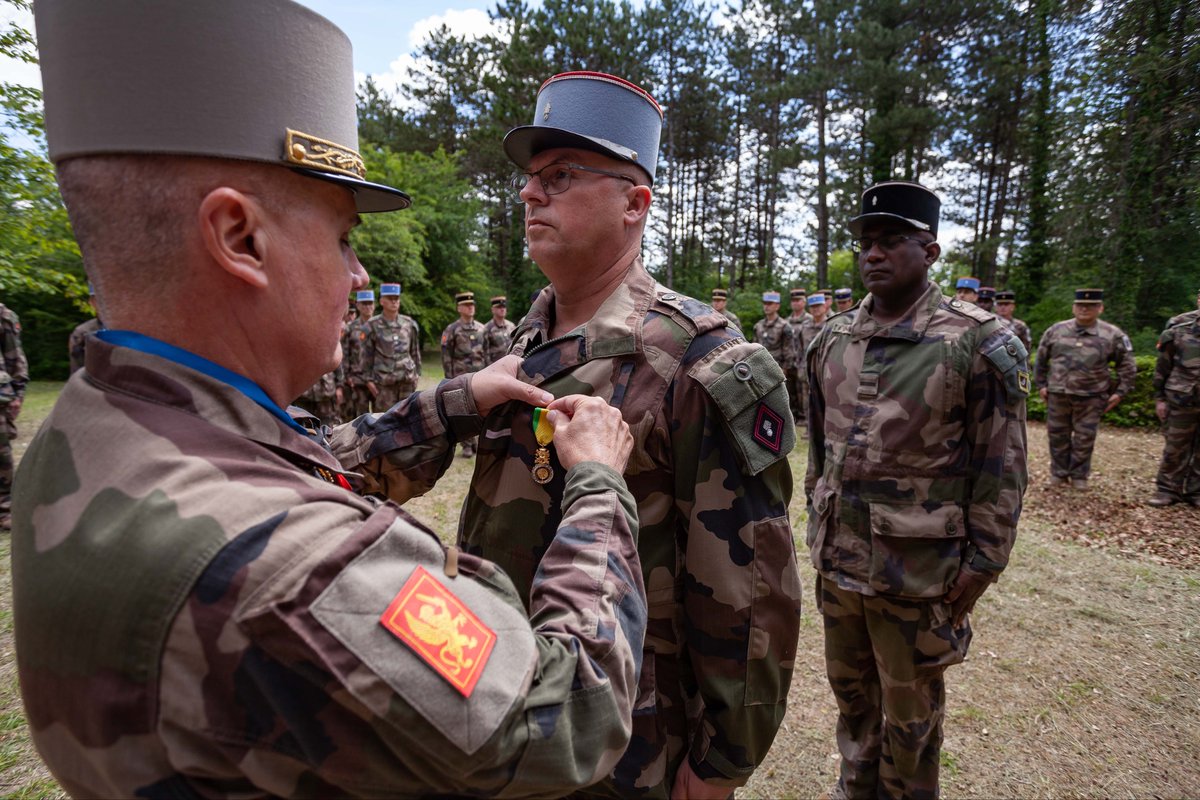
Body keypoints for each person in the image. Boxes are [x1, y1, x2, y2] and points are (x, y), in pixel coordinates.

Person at [14, 2, 650, 796]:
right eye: (342, 237)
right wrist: (597, 484)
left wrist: (453, 402)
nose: (357, 276)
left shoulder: (92, 428)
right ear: (240, 238)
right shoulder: (304, 569)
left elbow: (299, 459)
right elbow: (571, 715)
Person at [458, 71, 801, 799]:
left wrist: (723, 761)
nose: (529, 194)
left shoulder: (703, 361)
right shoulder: (528, 340)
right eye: (530, 178)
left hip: (621, 741)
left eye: (561, 175)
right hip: (497, 701)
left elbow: (747, 587)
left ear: (635, 204)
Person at [806, 180, 1029, 800]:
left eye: (891, 240)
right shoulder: (832, 338)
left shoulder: (979, 342)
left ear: (930, 251)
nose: (873, 254)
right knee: (853, 703)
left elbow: (1003, 464)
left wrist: (984, 561)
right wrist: (817, 520)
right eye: (866, 243)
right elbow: (819, 450)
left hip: (918, 570)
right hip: (839, 561)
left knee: (911, 721)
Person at [1035, 289, 1136, 489]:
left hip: (1092, 396)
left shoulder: (1112, 334)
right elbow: (1040, 360)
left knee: (1085, 437)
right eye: (1080, 305)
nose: (1084, 309)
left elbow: (1127, 366)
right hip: (1059, 394)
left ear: (1100, 308)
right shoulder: (1056, 330)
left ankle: (1079, 476)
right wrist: (1041, 385)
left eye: (1090, 306)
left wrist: (1120, 392)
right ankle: (1059, 473)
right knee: (1057, 435)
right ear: (1074, 307)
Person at [1149, 289, 1200, 507]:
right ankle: (1167, 490)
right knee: (1175, 446)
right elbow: (1163, 366)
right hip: (1182, 399)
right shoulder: (1179, 328)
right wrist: (1159, 398)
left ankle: (1196, 492)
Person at [441, 291, 487, 457]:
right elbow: (446, 356)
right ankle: (467, 444)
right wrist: (449, 379)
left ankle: (479, 442)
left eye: (472, 304)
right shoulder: (452, 329)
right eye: (466, 305)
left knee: (481, 409)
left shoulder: (482, 328)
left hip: (480, 377)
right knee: (462, 411)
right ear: (459, 308)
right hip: (460, 377)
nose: (470, 307)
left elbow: (487, 353)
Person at [365, 282, 422, 412]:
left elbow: (414, 351)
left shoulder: (409, 324)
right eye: (390, 298)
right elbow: (366, 355)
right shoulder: (372, 325)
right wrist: (368, 380)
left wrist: (417, 374)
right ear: (381, 301)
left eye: (396, 298)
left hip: (406, 380)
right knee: (384, 418)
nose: (394, 301)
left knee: (408, 416)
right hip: (384, 383)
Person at [0, 299, 28, 531]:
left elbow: (14, 356)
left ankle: (5, 508)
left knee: (1, 453)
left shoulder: (3, 315)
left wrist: (18, 392)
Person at [341, 288, 375, 417]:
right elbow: (344, 354)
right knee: (360, 417)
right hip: (357, 379)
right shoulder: (350, 328)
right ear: (358, 305)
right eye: (364, 303)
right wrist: (347, 376)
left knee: (381, 417)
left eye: (370, 303)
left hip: (378, 378)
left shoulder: (380, 326)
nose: (368, 307)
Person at [783, 288, 812, 422]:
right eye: (793, 300)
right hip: (789, 362)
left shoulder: (810, 319)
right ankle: (792, 416)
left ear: (804, 302)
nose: (795, 303)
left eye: (798, 300)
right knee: (790, 390)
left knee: (804, 392)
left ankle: (804, 416)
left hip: (804, 362)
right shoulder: (786, 321)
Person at [67, 284, 103, 374]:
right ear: (92, 302)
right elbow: (76, 371)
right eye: (100, 299)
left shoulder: (131, 326)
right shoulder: (82, 332)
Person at [755, 289, 789, 373]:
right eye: (765, 303)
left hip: (778, 368)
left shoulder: (784, 326)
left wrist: (784, 370)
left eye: (770, 304)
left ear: (777, 306)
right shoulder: (758, 325)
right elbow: (754, 347)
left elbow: (788, 352)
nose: (766, 306)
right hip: (760, 367)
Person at [482, 295, 517, 365]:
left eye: (504, 307)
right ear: (493, 310)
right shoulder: (487, 328)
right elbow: (485, 352)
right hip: (495, 366)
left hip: (511, 365)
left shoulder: (511, 326)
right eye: (499, 307)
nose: (502, 309)